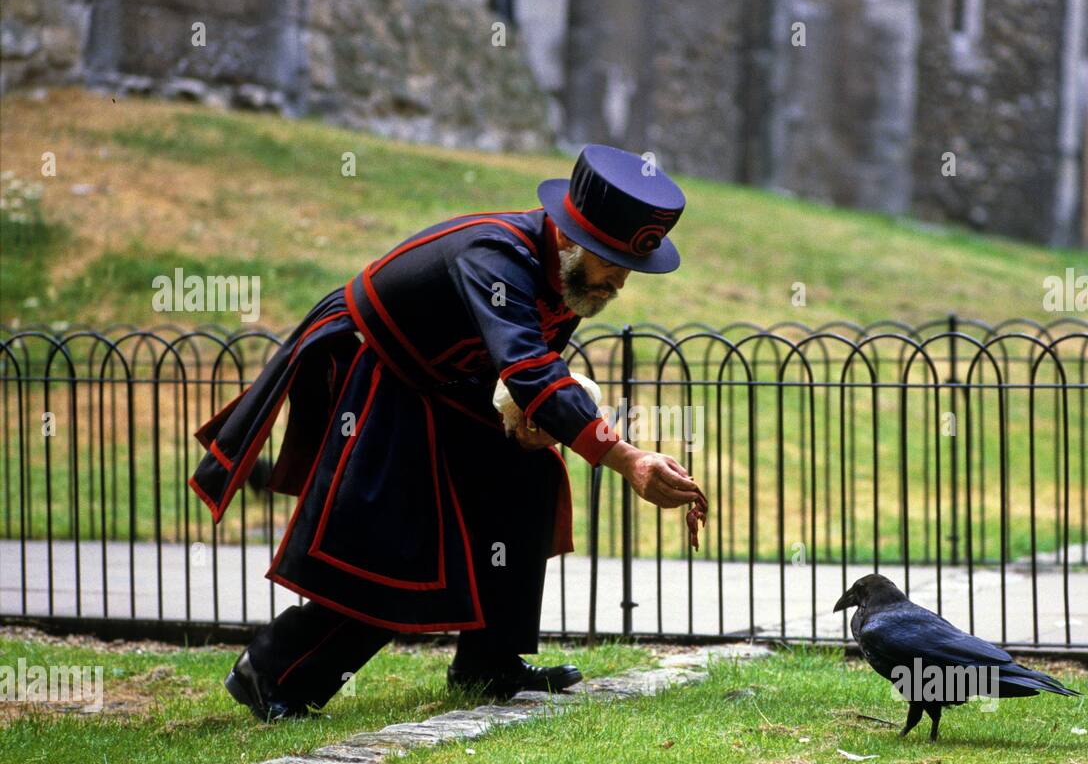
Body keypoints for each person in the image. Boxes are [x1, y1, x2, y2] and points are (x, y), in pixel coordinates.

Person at [188, 144, 707, 719]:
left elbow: (527, 370)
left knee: (524, 482)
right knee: (399, 540)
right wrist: (625, 457)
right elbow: (532, 367)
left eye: (627, 266)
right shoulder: (496, 257)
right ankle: (273, 674)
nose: (619, 282)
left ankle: (488, 664)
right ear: (568, 238)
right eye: (612, 261)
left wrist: (528, 419)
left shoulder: (576, 278)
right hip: (382, 370)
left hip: (450, 386)